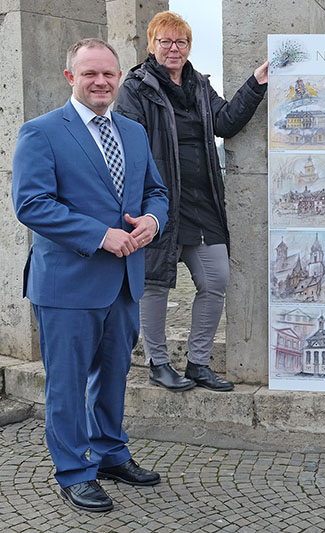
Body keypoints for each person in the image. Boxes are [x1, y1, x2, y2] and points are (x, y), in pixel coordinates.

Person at [11, 38, 169, 512]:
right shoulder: (40, 132)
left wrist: (153, 221)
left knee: (114, 374)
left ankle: (108, 453)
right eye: (90, 74)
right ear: (70, 78)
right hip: (68, 283)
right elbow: (31, 204)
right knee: (67, 381)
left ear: (119, 77)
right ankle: (74, 471)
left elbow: (156, 191)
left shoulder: (133, 132)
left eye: (109, 74)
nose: (101, 82)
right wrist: (101, 235)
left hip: (124, 280)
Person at [115, 11, 269, 392]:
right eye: (165, 41)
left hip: (202, 202)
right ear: (151, 45)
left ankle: (198, 363)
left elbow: (226, 122)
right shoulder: (136, 87)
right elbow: (129, 145)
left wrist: (256, 83)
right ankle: (158, 363)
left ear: (188, 47)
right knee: (155, 284)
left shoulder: (199, 85)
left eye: (180, 42)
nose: (173, 48)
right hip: (160, 202)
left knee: (215, 278)